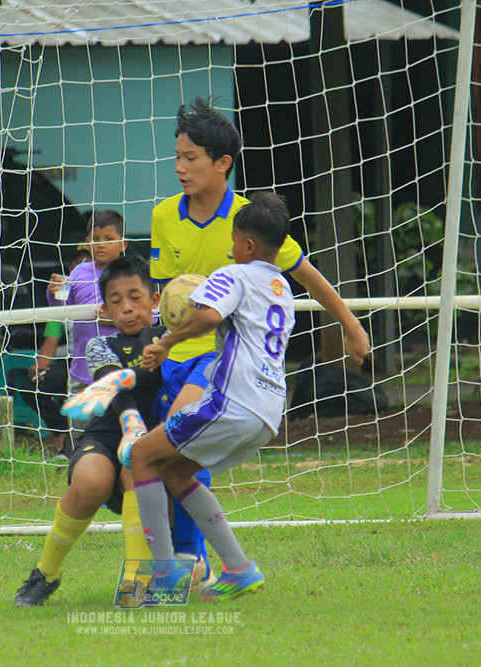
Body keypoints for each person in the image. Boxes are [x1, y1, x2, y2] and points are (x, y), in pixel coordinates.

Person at [148, 97, 373, 579]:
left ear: (221, 163)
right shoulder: (165, 216)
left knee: (169, 442)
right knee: (175, 456)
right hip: (175, 353)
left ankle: (185, 560)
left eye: (190, 158)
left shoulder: (253, 224)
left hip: (219, 358)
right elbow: (165, 293)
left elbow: (309, 276)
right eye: (177, 157)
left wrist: (352, 326)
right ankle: (208, 562)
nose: (180, 168)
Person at [125, 191, 308, 601]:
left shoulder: (232, 274)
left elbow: (208, 314)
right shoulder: (282, 289)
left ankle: (165, 574)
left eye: (233, 240)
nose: (228, 247)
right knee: (174, 470)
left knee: (140, 456)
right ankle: (240, 569)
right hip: (268, 412)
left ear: (246, 245)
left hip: (232, 401)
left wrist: (167, 342)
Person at [15, 255, 164, 607]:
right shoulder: (99, 346)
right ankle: (46, 573)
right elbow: (115, 387)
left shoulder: (170, 340)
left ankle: (136, 584)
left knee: (137, 469)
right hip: (109, 431)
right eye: (116, 301)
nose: (126, 308)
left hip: (155, 438)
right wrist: (130, 425)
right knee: (89, 481)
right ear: (103, 309)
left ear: (155, 300)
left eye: (135, 297)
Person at [46, 210, 126, 443]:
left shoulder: (131, 272)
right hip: (82, 372)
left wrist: (116, 318)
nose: (101, 245)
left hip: (120, 370)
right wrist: (54, 294)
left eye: (109, 239)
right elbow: (62, 309)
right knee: (83, 438)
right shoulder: (79, 273)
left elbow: (149, 316)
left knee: (120, 436)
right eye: (95, 238)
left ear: (123, 243)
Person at [17, 247, 92, 460]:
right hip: (71, 362)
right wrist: (40, 366)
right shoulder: (63, 296)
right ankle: (60, 430)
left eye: (89, 265)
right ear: (70, 269)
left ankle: (71, 449)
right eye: (79, 265)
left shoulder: (101, 291)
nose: (83, 270)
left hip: (99, 361)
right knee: (31, 386)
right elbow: (51, 339)